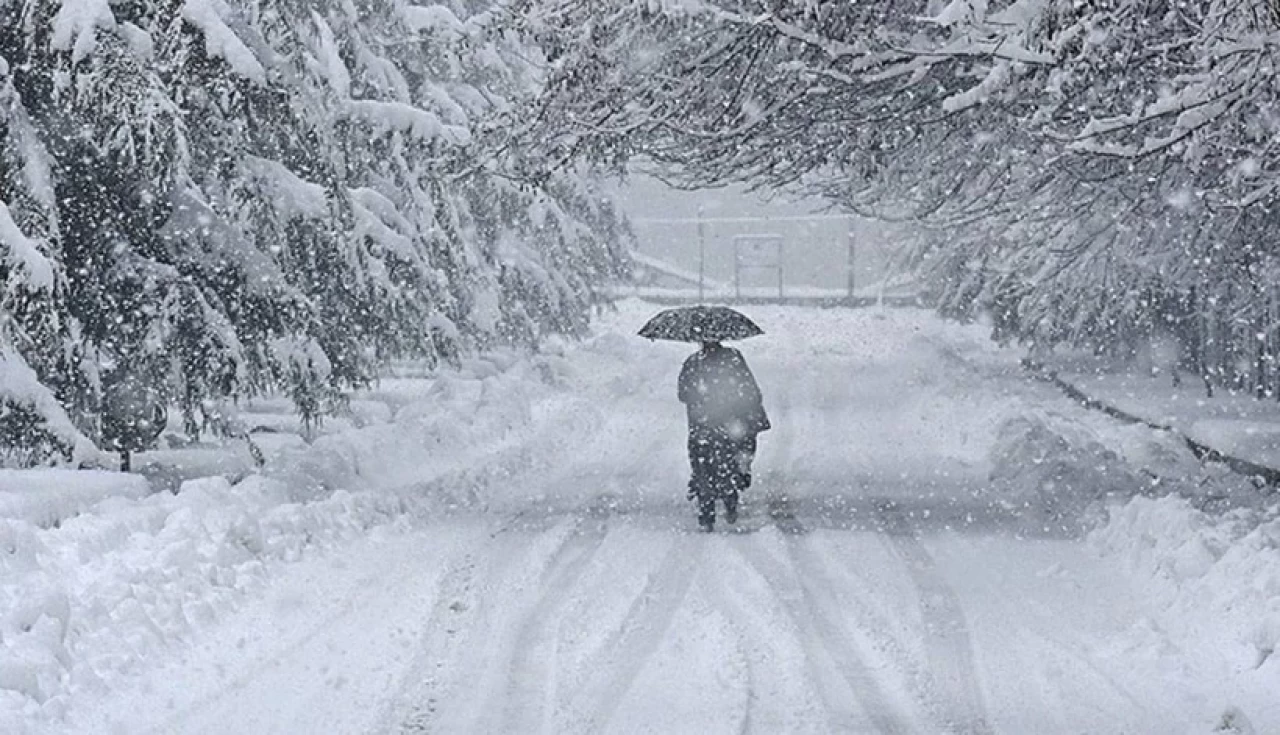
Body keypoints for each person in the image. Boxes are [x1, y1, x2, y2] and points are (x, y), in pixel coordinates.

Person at [678, 340, 769, 531]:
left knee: (703, 468)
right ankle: (730, 500)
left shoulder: (693, 362)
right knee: (727, 464)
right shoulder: (734, 359)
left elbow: (683, 394)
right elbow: (750, 389)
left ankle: (706, 513)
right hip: (729, 425)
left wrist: (701, 397)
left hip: (701, 427)